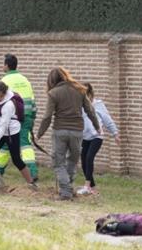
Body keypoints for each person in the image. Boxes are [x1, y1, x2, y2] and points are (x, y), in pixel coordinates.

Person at [37, 67, 98, 200]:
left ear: (51, 80)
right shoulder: (80, 90)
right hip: (77, 131)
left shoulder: (53, 93)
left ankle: (65, 192)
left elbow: (47, 116)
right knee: (72, 160)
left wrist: (40, 133)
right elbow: (90, 111)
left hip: (60, 131)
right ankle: (68, 188)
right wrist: (97, 127)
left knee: (59, 163)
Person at [0, 54, 38, 183]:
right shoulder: (25, 80)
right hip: (27, 117)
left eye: (3, 64)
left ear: (7, 66)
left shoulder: (3, 82)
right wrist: (32, 118)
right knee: (25, 145)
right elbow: (33, 102)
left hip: (12, 119)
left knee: (5, 146)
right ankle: (32, 172)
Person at [0, 82, 34, 188]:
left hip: (11, 132)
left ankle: (31, 183)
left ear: (5, 93)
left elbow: (4, 126)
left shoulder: (9, 105)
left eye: (1, 96)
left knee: (16, 159)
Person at [78, 82, 120, 196]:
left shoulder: (98, 105)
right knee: (83, 162)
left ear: (90, 93)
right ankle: (93, 188)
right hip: (84, 137)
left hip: (97, 136)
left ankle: (87, 186)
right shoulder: (79, 105)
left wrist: (115, 133)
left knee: (89, 158)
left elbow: (107, 120)